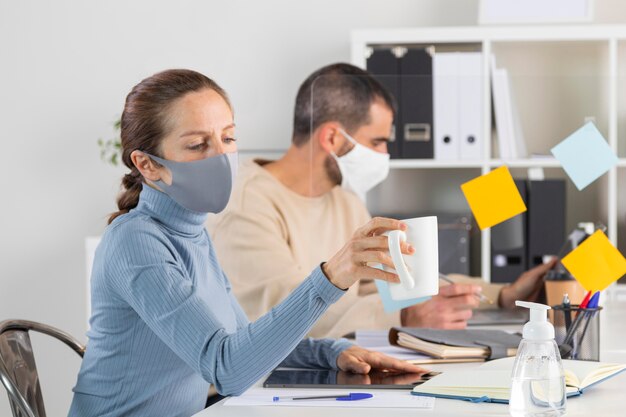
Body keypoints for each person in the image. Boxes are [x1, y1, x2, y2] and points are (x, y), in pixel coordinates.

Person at [68, 69, 426, 417]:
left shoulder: (194, 233)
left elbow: (241, 341)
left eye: (228, 138)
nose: (221, 157)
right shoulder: (135, 242)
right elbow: (228, 369)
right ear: (147, 164)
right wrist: (331, 277)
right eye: (197, 145)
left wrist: (332, 351)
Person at [207, 63, 556, 338]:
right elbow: (286, 312)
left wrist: (503, 295)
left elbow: (396, 283)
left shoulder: (344, 203)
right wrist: (405, 316)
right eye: (377, 142)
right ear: (331, 137)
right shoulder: (245, 203)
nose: (385, 154)